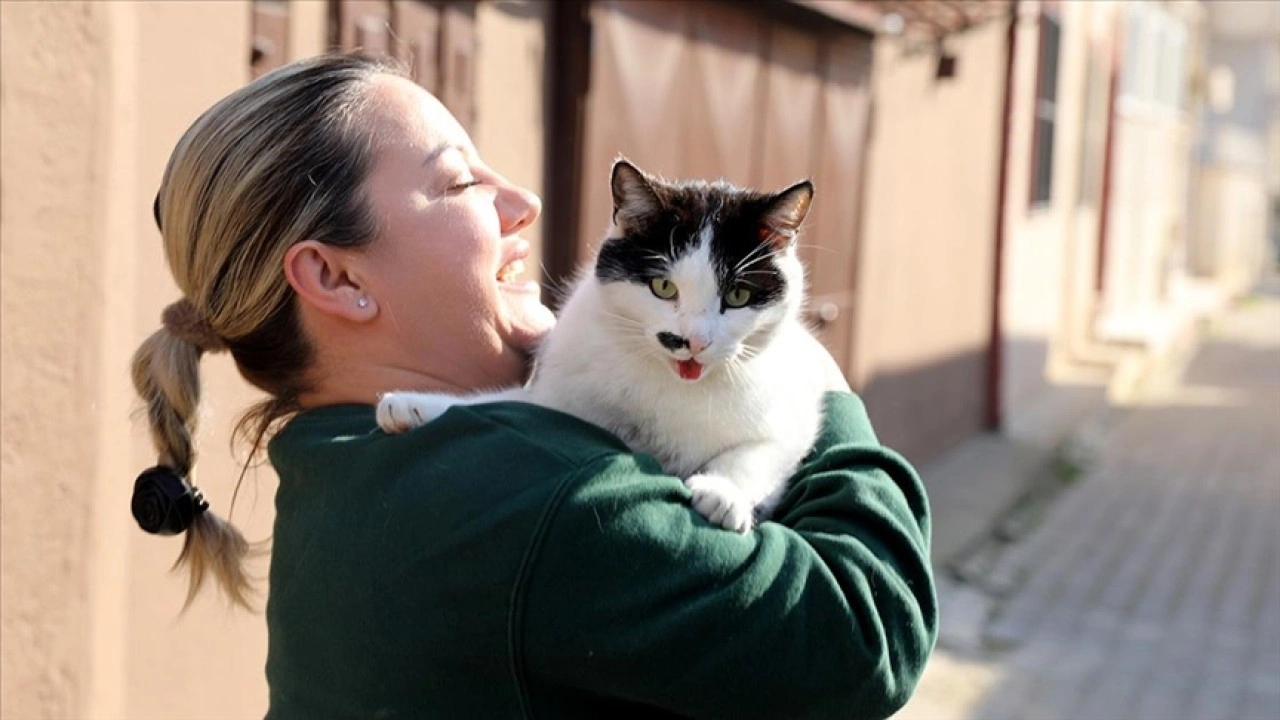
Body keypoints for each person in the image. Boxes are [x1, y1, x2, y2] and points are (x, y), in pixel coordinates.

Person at [129, 52, 937, 719]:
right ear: (337, 279)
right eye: (459, 184)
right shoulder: (533, 499)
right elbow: (868, 637)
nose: (523, 202)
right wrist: (811, 384)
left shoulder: (336, 462)